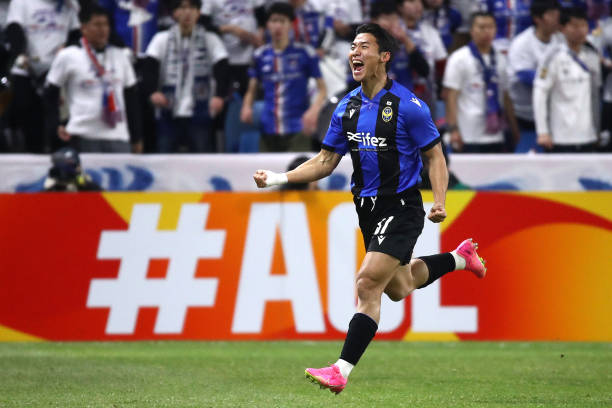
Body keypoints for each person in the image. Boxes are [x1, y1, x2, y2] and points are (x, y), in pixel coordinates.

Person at [252, 22, 487, 394]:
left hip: (403, 205)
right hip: (367, 208)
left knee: (366, 283)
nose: (354, 53)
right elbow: (326, 161)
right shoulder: (347, 106)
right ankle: (461, 258)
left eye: (364, 47)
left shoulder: (409, 107)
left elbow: (435, 156)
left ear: (384, 56)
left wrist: (439, 201)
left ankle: (341, 370)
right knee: (400, 285)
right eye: (352, 47)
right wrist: (279, 178)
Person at [44, 3, 143, 153]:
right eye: (97, 25)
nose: (102, 30)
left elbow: (131, 99)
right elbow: (50, 94)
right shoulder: (68, 55)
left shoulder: (121, 55)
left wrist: (136, 137)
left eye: (105, 25)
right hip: (82, 134)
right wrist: (55, 125)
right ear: (83, 28)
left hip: (118, 137)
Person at [143, 0, 229, 153]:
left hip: (200, 113)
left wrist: (220, 96)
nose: (187, 12)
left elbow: (222, 67)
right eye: (182, 7)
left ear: (198, 12)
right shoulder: (161, 38)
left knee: (202, 159)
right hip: (168, 111)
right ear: (175, 13)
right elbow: (149, 68)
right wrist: (152, 92)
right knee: (165, 158)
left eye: (192, 8)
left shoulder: (210, 39)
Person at [241, 2, 327, 152]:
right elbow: (251, 89)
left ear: (291, 25)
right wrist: (247, 106)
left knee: (296, 175)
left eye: (282, 21)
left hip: (298, 129)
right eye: (274, 21)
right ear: (268, 24)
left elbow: (322, 89)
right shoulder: (259, 55)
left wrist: (313, 111)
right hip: (268, 128)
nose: (278, 26)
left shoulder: (305, 53)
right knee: (267, 175)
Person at [5, 0, 80, 153]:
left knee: (60, 121)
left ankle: (63, 159)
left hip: (59, 72)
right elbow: (14, 29)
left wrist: (68, 49)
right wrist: (19, 53)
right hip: (28, 69)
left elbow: (76, 33)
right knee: (30, 121)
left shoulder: (69, 4)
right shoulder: (22, 2)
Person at [443, 11, 519, 153]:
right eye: (481, 27)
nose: (486, 31)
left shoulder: (501, 60)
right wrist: (453, 129)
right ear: (471, 31)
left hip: (496, 134)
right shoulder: (459, 58)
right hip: (468, 134)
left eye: (490, 27)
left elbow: (506, 96)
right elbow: (451, 96)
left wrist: (514, 128)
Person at [533, 7, 601, 152]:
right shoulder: (552, 56)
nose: (581, 30)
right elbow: (540, 93)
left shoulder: (592, 56)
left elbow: (595, 95)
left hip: (588, 135)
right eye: (575, 25)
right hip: (560, 137)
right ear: (562, 28)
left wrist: (597, 129)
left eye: (584, 25)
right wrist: (542, 132)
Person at [507, 0, 562, 153]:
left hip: (553, 113)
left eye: (558, 14)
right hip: (524, 114)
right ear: (538, 18)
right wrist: (556, 79)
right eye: (552, 15)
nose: (557, 18)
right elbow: (525, 76)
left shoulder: (560, 41)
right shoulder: (522, 43)